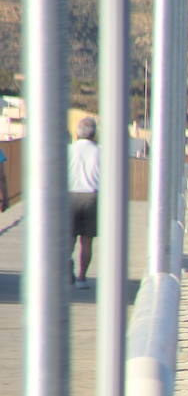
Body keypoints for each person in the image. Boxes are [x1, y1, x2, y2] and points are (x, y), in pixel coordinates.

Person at [68, 116, 100, 288]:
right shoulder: (100, 151)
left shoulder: (68, 150)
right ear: (94, 134)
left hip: (70, 195)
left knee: (69, 237)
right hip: (92, 197)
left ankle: (66, 261)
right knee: (87, 241)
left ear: (76, 133)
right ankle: (82, 278)